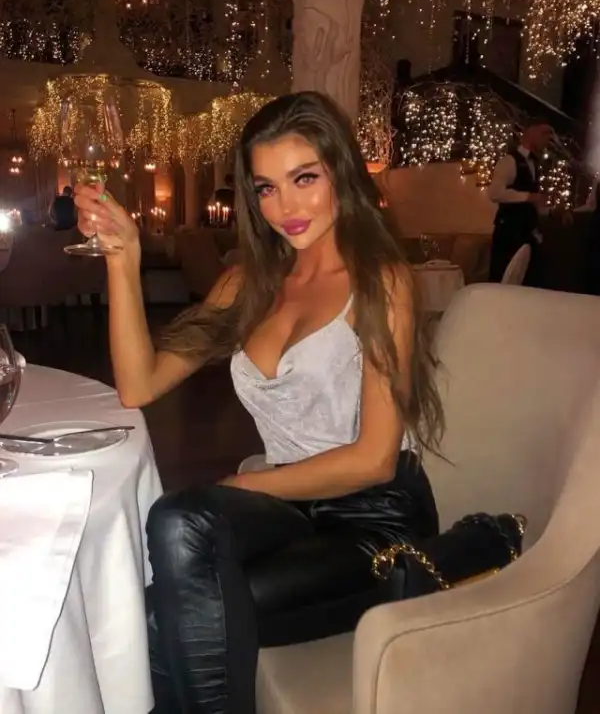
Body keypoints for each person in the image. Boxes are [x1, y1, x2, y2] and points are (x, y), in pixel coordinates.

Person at [73, 91, 444, 714]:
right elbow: (140, 385)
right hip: (293, 507)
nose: (285, 208)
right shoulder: (246, 283)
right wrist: (122, 258)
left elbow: (375, 459)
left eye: (304, 179)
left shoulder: (380, 281)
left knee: (168, 578)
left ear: (341, 173)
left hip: (376, 522)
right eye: (267, 188)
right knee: (165, 570)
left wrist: (242, 487)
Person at [487, 119, 554, 285]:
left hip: (527, 233)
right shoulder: (509, 161)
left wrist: (551, 211)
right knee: (504, 282)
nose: (548, 138)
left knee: (531, 283)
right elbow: (494, 193)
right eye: (544, 133)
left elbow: (532, 203)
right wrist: (528, 197)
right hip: (509, 233)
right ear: (530, 132)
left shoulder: (535, 164)